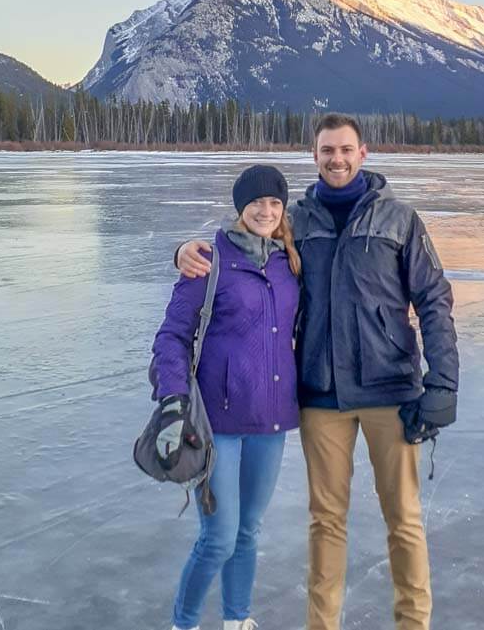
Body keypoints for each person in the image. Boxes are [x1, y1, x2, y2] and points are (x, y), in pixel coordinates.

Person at [176, 114, 459, 630]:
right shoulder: (297, 222)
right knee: (326, 522)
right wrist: (181, 251)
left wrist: (442, 381)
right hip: (322, 397)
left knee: (403, 520)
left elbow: (434, 300)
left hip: (391, 392)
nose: (337, 159)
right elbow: (242, 240)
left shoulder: (399, 219)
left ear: (363, 153)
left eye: (346, 149)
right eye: (328, 150)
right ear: (315, 156)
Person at [152, 164, 302, 630]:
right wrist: (173, 400)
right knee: (219, 536)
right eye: (256, 202)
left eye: (274, 202)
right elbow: (171, 337)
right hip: (216, 424)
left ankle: (237, 619)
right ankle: (184, 623)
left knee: (248, 531)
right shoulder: (209, 260)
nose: (266, 211)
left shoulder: (290, 262)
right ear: (240, 207)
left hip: (271, 420)